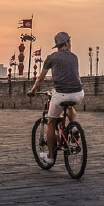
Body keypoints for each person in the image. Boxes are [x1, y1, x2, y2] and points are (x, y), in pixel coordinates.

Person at [27, 31, 84, 166]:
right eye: (69, 42)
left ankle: (51, 157)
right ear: (66, 43)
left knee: (51, 122)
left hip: (61, 94)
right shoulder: (74, 57)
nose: (70, 44)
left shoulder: (51, 57)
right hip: (78, 93)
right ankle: (74, 128)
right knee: (70, 106)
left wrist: (33, 90)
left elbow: (40, 79)